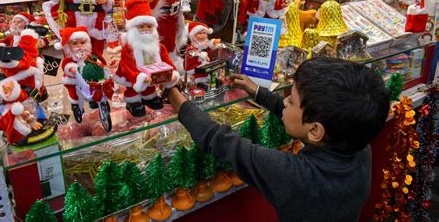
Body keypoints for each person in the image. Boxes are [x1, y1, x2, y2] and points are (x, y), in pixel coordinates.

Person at [167, 57, 390, 221]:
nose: (284, 102)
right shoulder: (357, 147)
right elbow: (300, 118)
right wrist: (257, 92)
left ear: (315, 131)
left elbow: (224, 143)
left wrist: (179, 101)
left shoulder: (297, 177)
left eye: (290, 101)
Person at [112, 0, 180, 117]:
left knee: (150, 88)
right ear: (133, 29)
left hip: (152, 77)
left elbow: (166, 61)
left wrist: (173, 73)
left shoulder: (159, 46)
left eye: (149, 26)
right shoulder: (129, 48)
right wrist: (140, 77)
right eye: (141, 26)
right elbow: (128, 68)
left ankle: (149, 97)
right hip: (133, 76)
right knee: (133, 89)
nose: (146, 29)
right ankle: (133, 102)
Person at [184, 22, 221, 87]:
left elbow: (210, 51)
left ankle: (214, 82)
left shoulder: (204, 45)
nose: (202, 35)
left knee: (213, 73)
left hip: (206, 67)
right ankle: (200, 84)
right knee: (200, 78)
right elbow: (191, 53)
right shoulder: (191, 47)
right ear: (193, 36)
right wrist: (201, 55)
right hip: (194, 68)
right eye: (199, 33)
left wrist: (213, 44)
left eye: (204, 33)